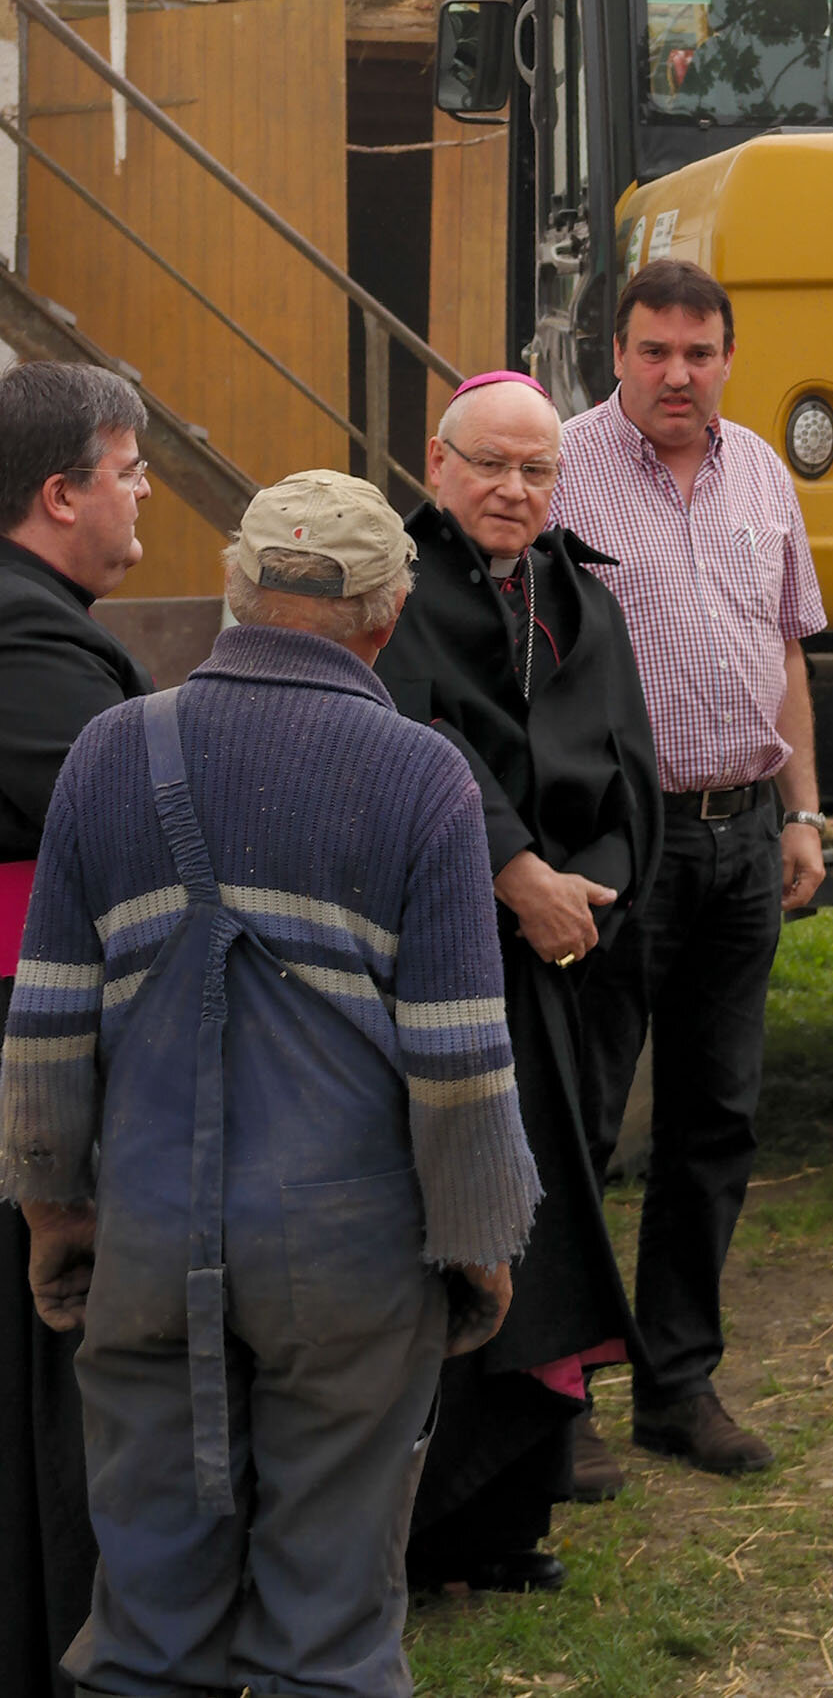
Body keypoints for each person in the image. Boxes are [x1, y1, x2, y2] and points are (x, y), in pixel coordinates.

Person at [0, 468, 540, 1698]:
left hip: (145, 1237)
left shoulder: (110, 750)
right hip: (350, 1258)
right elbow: (459, 1050)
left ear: (235, 591)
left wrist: (54, 1210)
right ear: (388, 615)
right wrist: (480, 1242)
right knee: (328, 1634)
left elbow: (47, 1017)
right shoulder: (423, 776)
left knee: (144, 1633)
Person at [376, 370, 664, 1586]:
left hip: (570, 958)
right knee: (464, 1226)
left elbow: (631, 766)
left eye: (536, 469)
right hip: (456, 954)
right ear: (437, 462)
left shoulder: (580, 597)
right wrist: (517, 875)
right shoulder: (395, 593)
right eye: (489, 462)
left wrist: (589, 893)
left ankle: (508, 1520)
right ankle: (428, 1526)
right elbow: (416, 746)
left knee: (550, 1220)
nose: (512, 487)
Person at [550, 257, 827, 1477]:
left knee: (715, 1119)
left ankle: (677, 1383)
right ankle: (558, 1397)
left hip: (743, 835)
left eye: (699, 352)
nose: (678, 373)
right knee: (582, 1118)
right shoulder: (560, 471)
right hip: (615, 841)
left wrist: (803, 812)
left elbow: (787, 651)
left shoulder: (760, 469)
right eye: (654, 350)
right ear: (615, 353)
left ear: (728, 359)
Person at [0, 361, 153, 1698]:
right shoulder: (34, 649)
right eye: (130, 471)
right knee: (51, 1379)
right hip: (30, 1061)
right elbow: (118, 844)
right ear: (61, 492)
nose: (144, 493)